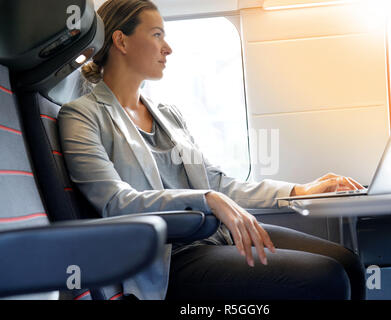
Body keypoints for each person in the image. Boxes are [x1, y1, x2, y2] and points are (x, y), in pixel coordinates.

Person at [58, 0, 366, 300]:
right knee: (327, 278)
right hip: (168, 258)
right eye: (157, 35)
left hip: (217, 236)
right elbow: (116, 203)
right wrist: (205, 199)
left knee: (348, 263)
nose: (168, 48)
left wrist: (299, 190)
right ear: (121, 41)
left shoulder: (168, 114)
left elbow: (219, 184)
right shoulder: (83, 115)